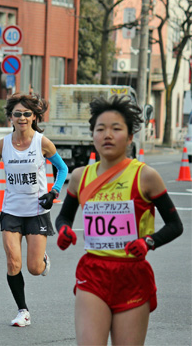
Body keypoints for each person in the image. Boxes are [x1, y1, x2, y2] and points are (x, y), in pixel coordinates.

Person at [55, 95, 183, 345]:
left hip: (132, 276)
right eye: (100, 129)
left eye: (116, 129)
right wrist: (63, 231)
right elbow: (63, 218)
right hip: (93, 273)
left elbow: (175, 225)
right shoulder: (80, 177)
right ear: (92, 135)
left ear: (130, 137)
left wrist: (149, 242)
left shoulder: (145, 176)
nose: (107, 135)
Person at [0, 92, 68, 327]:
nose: (22, 118)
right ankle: (22, 311)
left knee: (34, 269)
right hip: (11, 211)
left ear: (34, 116)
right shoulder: (3, 144)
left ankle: (43, 260)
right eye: (17, 114)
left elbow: (63, 169)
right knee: (12, 263)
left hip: (37, 211)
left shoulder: (42, 143)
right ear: (11, 117)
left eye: (27, 114)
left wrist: (53, 192)